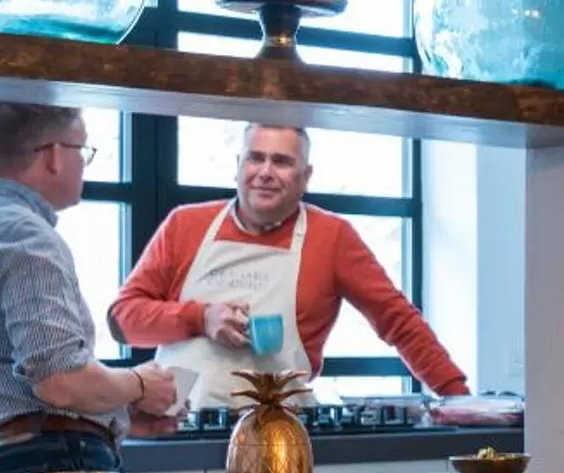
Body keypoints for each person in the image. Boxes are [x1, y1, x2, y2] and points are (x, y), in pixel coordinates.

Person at [112, 123, 470, 406]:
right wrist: (200, 318)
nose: (265, 172)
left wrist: (460, 400)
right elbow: (123, 322)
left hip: (283, 438)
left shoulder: (332, 237)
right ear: (237, 166)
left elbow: (400, 321)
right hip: (180, 429)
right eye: (255, 158)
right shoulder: (185, 225)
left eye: (282, 162)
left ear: (306, 176)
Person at [0, 103, 176, 473]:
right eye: (83, 149)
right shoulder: (22, 232)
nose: (83, 163)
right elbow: (59, 381)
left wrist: (118, 412)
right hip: (52, 470)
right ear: (54, 154)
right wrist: (137, 385)